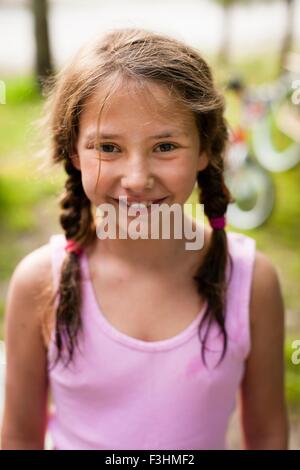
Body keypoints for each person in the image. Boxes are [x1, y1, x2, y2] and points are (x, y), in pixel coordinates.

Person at [0, 28, 288, 450]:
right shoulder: (38, 284)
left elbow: (267, 435)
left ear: (205, 149)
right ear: (75, 153)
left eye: (165, 145)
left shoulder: (251, 282)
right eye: (109, 148)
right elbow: (18, 438)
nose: (137, 179)